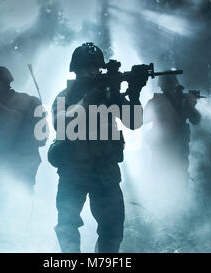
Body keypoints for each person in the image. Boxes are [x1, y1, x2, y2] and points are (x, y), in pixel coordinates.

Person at [48, 42, 147, 253]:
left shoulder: (108, 95)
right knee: (67, 225)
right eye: (87, 67)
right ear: (76, 70)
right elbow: (60, 124)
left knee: (112, 229)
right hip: (73, 170)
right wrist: (86, 102)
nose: (93, 72)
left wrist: (134, 93)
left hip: (105, 171)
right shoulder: (64, 96)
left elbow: (134, 122)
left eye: (97, 68)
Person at [0, 65, 47, 191]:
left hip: (24, 157)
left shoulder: (26, 100)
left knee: (23, 197)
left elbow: (15, 119)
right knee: (2, 198)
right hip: (4, 159)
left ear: (5, 82)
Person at [144, 74, 201, 187]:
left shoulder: (183, 101)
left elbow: (196, 119)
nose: (169, 89)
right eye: (166, 86)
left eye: (171, 86)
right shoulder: (157, 101)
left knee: (179, 180)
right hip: (162, 149)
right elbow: (144, 119)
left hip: (178, 150)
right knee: (159, 181)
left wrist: (189, 104)